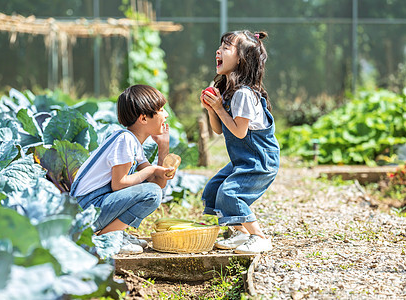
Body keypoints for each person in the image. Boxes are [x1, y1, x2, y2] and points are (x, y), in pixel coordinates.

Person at [70, 84, 175, 257]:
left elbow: (159, 183)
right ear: (143, 118)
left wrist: (163, 147)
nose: (166, 115)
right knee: (152, 193)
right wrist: (151, 171)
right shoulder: (125, 140)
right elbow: (119, 184)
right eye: (162, 110)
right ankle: (107, 237)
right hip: (87, 209)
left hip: (96, 205)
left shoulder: (134, 143)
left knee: (154, 191)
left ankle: (114, 232)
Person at [200, 30, 280, 254]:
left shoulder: (244, 94)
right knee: (215, 189)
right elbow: (218, 130)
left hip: (260, 160)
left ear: (241, 59)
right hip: (243, 159)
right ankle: (241, 233)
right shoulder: (228, 91)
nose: (218, 51)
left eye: (226, 48)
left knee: (230, 193)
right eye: (220, 46)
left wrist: (217, 107)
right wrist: (211, 109)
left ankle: (259, 237)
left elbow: (239, 133)